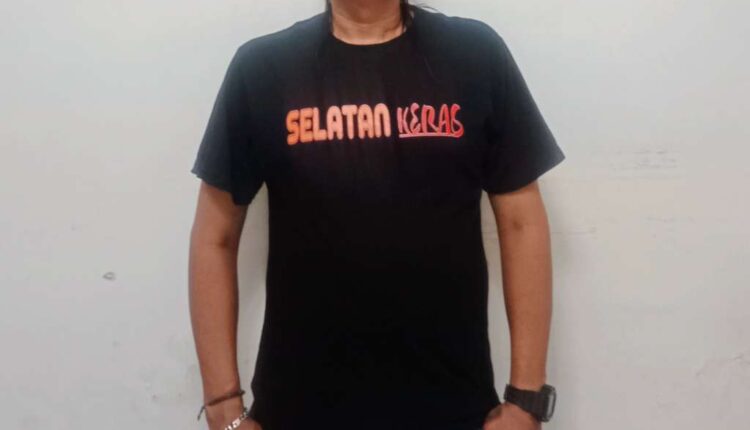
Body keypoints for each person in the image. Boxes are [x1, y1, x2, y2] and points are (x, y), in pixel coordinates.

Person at [188, 1, 565, 429]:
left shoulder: (475, 55)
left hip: (453, 408)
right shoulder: (263, 68)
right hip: (298, 410)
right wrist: (223, 407)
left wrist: (526, 400)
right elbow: (214, 236)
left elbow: (521, 223)